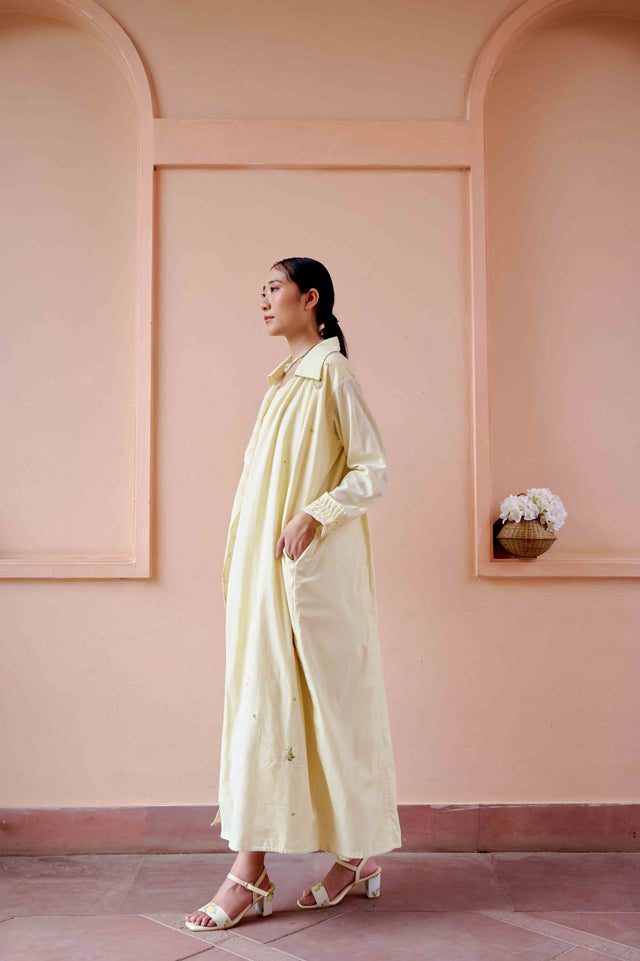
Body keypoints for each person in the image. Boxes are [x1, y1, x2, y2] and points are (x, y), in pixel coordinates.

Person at [185, 257, 401, 931]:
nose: (264, 299)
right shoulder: (283, 380)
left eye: (274, 288)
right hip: (267, 575)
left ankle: (287, 867)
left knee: (330, 711)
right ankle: (279, 864)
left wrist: (316, 512)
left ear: (311, 299)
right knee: (268, 703)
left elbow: (372, 469)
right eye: (262, 290)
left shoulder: (331, 374)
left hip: (310, 580)